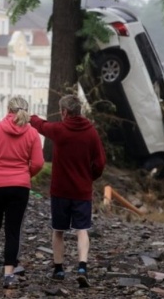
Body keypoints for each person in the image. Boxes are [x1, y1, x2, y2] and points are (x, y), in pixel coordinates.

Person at [29, 94, 106, 288]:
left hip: (60, 191)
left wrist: (30, 117)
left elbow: (42, 126)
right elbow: (100, 163)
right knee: (82, 230)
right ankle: (82, 267)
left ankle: (59, 269)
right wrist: (90, 177)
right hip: (82, 191)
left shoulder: (60, 130)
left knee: (58, 230)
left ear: (64, 112)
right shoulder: (91, 133)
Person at [0, 96, 45, 289]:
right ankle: (8, 274)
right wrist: (25, 175)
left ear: (8, 109)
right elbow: (38, 163)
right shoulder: (32, 134)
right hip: (20, 186)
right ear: (26, 110)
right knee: (13, 229)